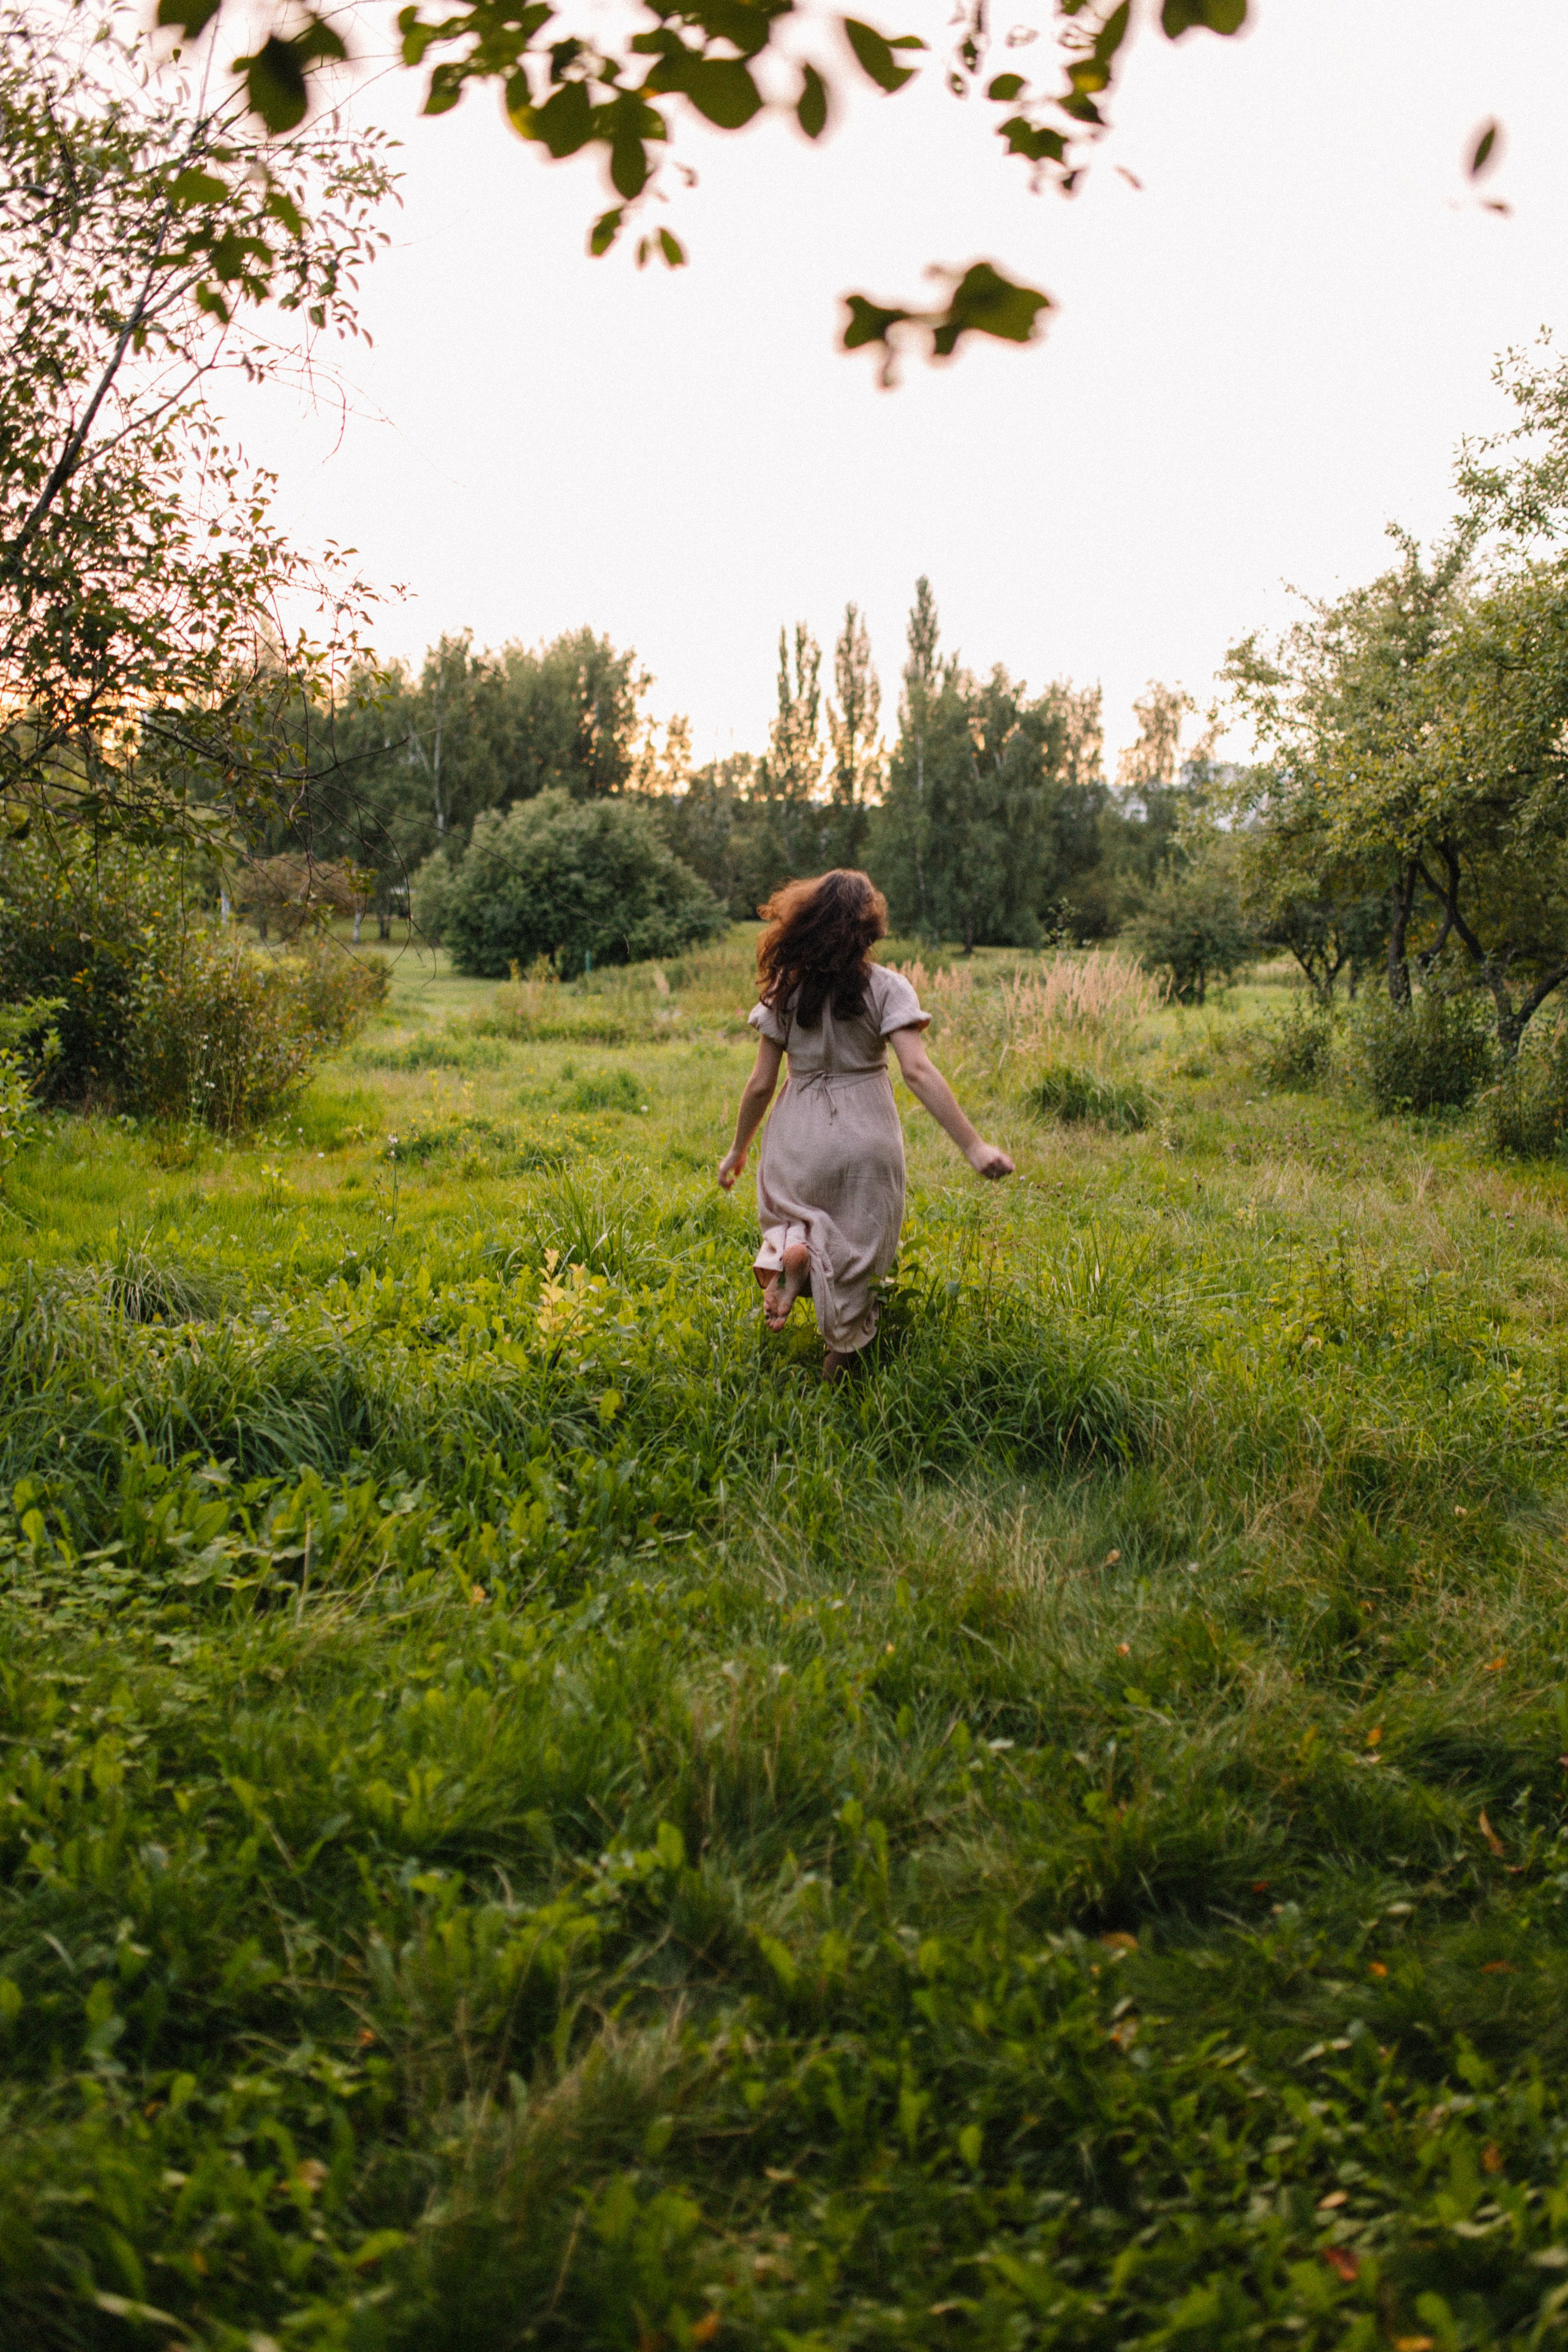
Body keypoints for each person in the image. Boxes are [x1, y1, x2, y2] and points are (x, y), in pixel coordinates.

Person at [717, 870, 1014, 1379]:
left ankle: (796, 1255)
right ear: (868, 928)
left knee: (796, 1214)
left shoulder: (786, 991)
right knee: (861, 1245)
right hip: (866, 1132)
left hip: (798, 1131)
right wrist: (974, 1146)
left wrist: (738, 1149)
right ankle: (841, 1356)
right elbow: (917, 1071)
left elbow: (761, 1084)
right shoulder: (887, 987)